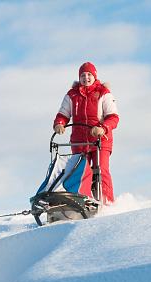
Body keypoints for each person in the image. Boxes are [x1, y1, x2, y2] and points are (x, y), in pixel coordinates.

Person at [53, 61, 119, 204]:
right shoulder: (72, 95)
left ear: (95, 76)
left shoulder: (103, 93)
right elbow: (63, 114)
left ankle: (107, 202)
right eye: (83, 75)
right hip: (79, 141)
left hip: (100, 140)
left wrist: (103, 128)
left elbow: (113, 117)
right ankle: (81, 200)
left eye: (89, 74)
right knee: (79, 171)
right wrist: (59, 124)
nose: (86, 78)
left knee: (100, 169)